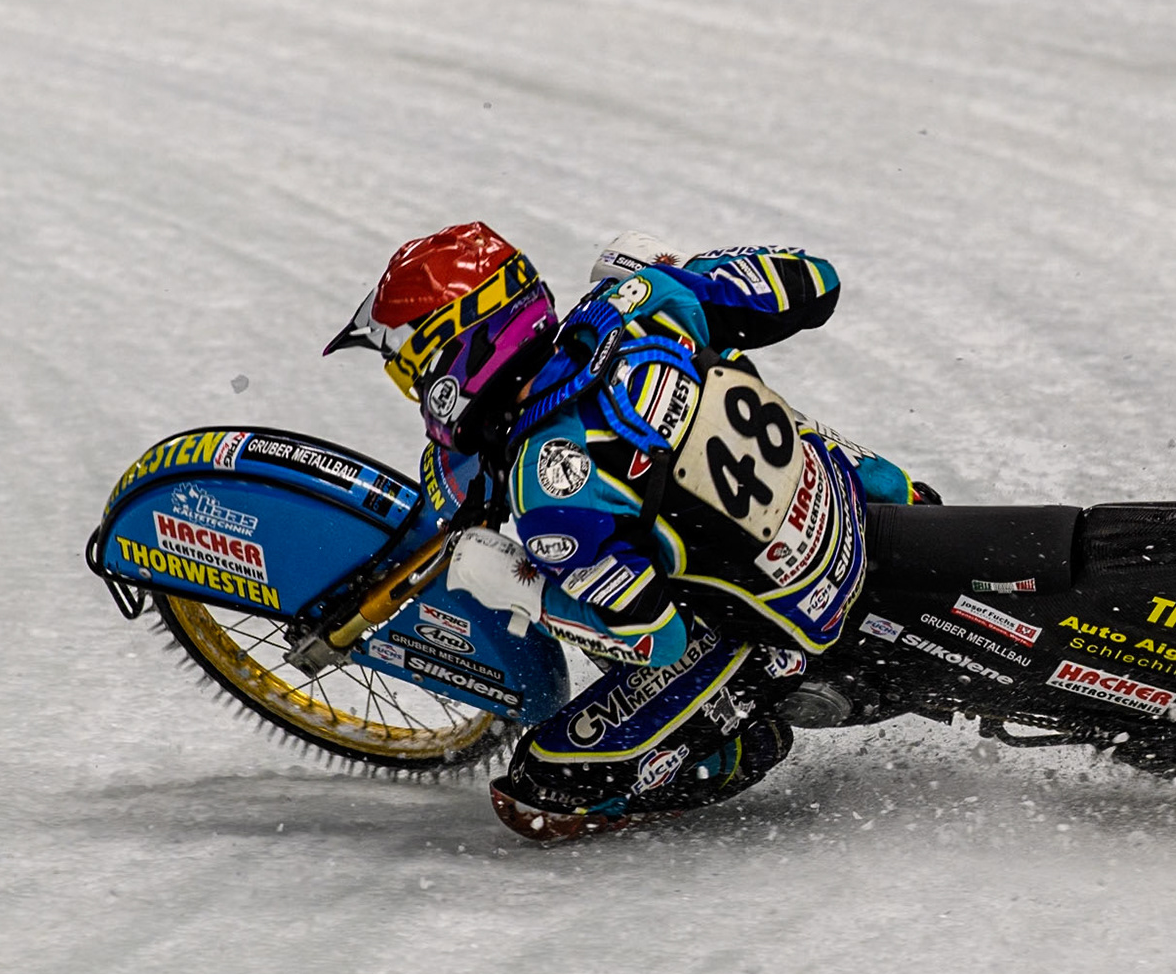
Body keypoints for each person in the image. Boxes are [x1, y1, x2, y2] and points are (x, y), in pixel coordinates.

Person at [325, 224, 935, 840]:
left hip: (783, 624)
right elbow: (816, 282)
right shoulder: (639, 303)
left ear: (456, 354)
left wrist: (520, 588)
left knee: (538, 794)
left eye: (409, 369)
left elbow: (654, 636)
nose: (414, 390)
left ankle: (733, 749)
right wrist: (697, 271)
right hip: (869, 500)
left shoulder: (547, 486)